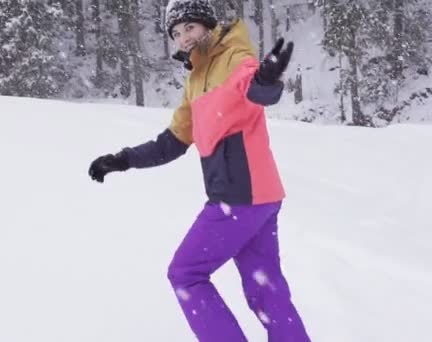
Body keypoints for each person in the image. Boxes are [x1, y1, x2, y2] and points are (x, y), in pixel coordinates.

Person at [88, 0, 310, 341]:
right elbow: (173, 141)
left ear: (207, 25)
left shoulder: (234, 57)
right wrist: (123, 159)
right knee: (265, 287)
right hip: (261, 199)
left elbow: (255, 88)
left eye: (189, 28)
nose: (183, 38)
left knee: (186, 273)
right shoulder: (195, 81)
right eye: (176, 33)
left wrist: (267, 79)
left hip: (238, 196)